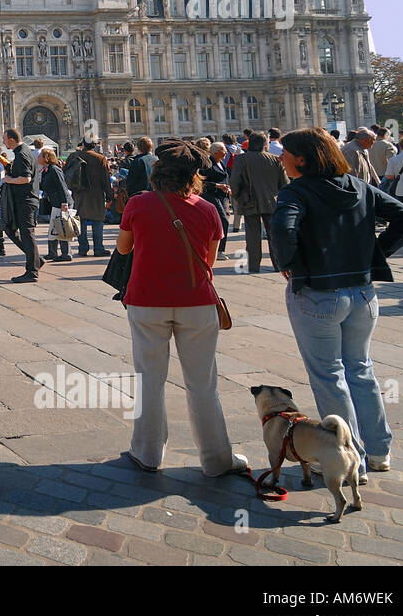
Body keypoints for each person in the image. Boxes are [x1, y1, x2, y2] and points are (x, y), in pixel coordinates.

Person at [272, 128, 403, 479]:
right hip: (363, 293)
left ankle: (347, 454)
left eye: (287, 153)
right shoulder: (357, 186)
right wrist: (374, 254)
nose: (281, 158)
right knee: (361, 369)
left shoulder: (296, 192)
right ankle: (379, 451)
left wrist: (289, 263)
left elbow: (282, 230)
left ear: (302, 159)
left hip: (319, 293)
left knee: (329, 375)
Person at [115, 140, 249, 478]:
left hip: (146, 301)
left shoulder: (138, 204)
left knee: (149, 378)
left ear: (157, 174)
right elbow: (209, 261)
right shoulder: (207, 210)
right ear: (195, 177)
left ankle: (147, 453)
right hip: (196, 302)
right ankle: (217, 459)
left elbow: (123, 247)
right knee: (203, 383)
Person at [227, 132, 288, 273]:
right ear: (265, 144)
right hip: (272, 201)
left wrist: (238, 197)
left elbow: (234, 182)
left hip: (249, 201)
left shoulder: (241, 159)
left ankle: (253, 266)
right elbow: (284, 183)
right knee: (274, 236)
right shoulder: (274, 160)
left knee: (252, 236)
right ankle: (278, 265)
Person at [1, 129, 43, 282]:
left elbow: (25, 178)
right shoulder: (23, 152)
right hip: (23, 200)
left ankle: (32, 271)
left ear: (11, 139)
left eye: (5, 139)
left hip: (26, 200)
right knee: (11, 229)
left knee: (27, 234)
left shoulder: (23, 154)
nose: (4, 142)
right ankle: (36, 260)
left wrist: (9, 180)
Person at [64, 140, 112, 257]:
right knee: (97, 221)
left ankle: (83, 248)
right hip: (96, 194)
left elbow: (65, 173)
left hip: (79, 193)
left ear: (83, 144)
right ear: (94, 145)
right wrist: (109, 196)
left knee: (81, 222)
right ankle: (98, 248)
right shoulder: (100, 158)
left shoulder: (73, 156)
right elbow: (105, 180)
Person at [39, 148, 74, 262]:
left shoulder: (54, 169)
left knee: (63, 228)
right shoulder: (47, 169)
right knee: (54, 228)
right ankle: (52, 252)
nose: (38, 157)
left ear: (46, 158)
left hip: (61, 203)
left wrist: (65, 203)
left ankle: (66, 254)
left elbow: (62, 186)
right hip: (55, 203)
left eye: (40, 156)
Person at [201, 142, 232, 259]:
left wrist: (227, 187)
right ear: (215, 152)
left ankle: (217, 248)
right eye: (223, 150)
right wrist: (217, 186)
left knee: (222, 221)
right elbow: (202, 182)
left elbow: (224, 177)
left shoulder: (221, 163)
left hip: (222, 196)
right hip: (211, 196)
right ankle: (218, 250)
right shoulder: (208, 164)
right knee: (223, 221)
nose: (226, 153)